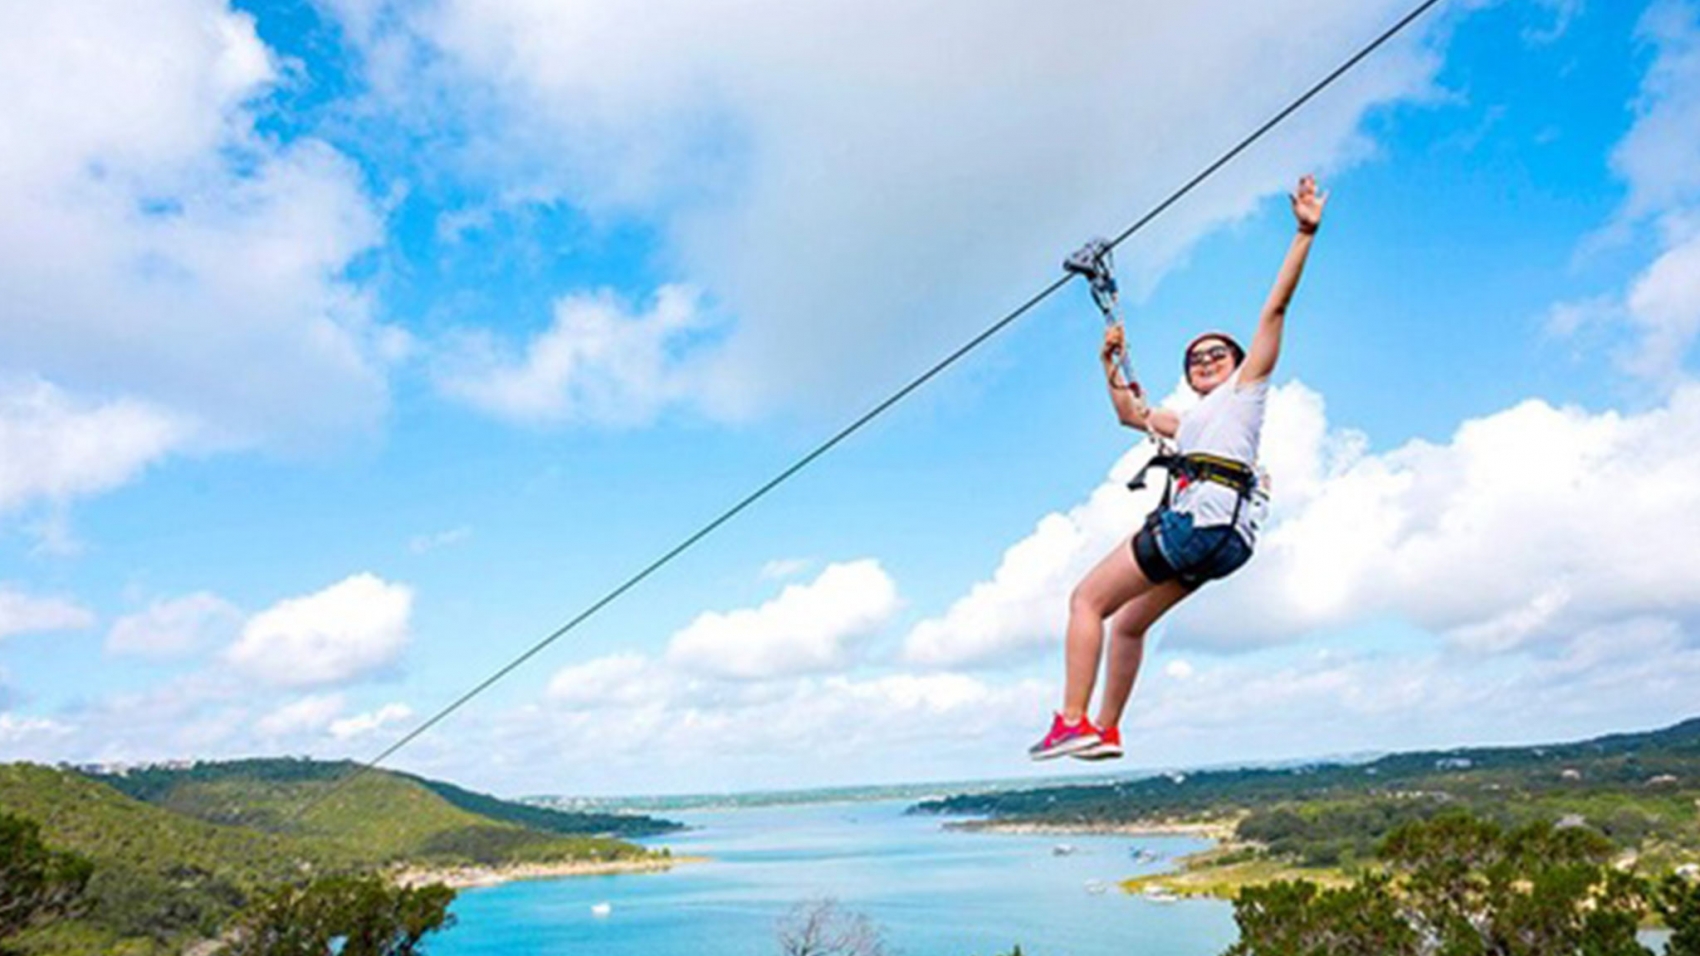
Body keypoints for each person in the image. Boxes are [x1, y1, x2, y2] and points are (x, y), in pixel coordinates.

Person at [1028, 174, 1328, 762]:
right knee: (1128, 623)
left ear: (1240, 364)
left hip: (1200, 527)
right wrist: (1109, 364)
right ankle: (1106, 730)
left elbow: (1275, 309)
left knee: (1087, 601)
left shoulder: (1245, 394)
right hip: (1226, 542)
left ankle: (1070, 720)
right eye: (1195, 359)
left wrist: (1304, 233)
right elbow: (1130, 415)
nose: (1206, 360)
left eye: (1218, 353)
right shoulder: (1189, 422)